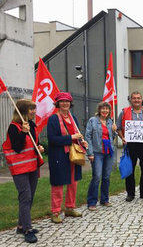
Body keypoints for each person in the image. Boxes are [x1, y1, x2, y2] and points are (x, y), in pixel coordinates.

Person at [2, 99, 44, 243]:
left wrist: (39, 147)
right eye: (31, 109)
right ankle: (27, 230)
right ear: (22, 111)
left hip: (32, 166)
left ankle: (21, 225)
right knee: (25, 197)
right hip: (20, 168)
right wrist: (23, 133)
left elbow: (34, 143)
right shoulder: (14, 127)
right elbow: (18, 147)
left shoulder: (31, 125)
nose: (34, 111)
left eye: (34, 109)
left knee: (29, 197)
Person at [47, 92, 88, 223]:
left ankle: (70, 208)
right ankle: (55, 212)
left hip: (73, 154)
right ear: (57, 103)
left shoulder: (73, 117)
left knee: (73, 182)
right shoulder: (53, 119)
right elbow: (52, 139)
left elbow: (77, 135)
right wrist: (71, 138)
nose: (65, 104)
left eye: (67, 101)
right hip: (59, 155)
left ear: (70, 103)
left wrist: (82, 142)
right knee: (58, 184)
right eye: (62, 101)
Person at [117, 91, 143, 202]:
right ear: (131, 100)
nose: (136, 100)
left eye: (138, 98)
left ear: (141, 99)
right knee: (130, 168)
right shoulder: (124, 112)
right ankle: (130, 193)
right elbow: (118, 127)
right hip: (131, 144)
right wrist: (122, 138)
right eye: (134, 98)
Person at [85, 102, 117, 211]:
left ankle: (104, 199)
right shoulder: (92, 121)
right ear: (99, 110)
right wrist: (90, 152)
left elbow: (111, 138)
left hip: (108, 152)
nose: (105, 111)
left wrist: (114, 131)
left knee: (106, 177)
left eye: (107, 109)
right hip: (97, 152)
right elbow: (88, 137)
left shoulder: (110, 121)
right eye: (103, 109)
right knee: (97, 176)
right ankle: (92, 201)